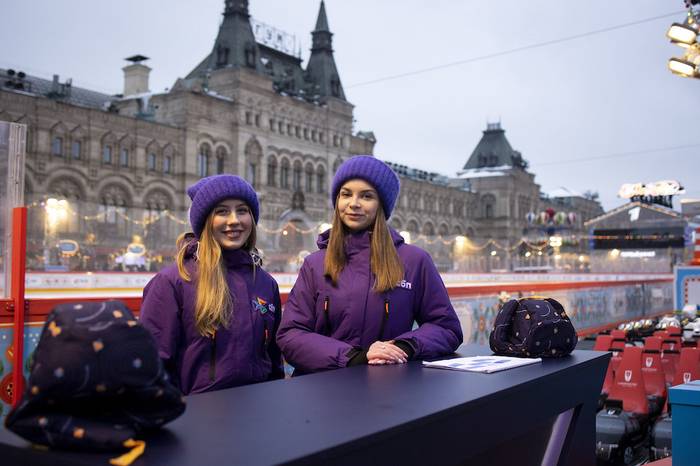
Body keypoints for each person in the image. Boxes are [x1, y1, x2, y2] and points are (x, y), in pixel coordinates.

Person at [277, 156, 463, 374]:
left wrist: (404, 346)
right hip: (322, 387)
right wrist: (352, 357)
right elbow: (290, 334)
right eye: (346, 194)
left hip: (388, 386)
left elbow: (446, 327)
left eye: (366, 196)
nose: (354, 203)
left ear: (381, 204)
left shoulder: (414, 261)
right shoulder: (315, 264)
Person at [140, 175, 283, 394]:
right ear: (205, 220)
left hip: (259, 406)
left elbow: (273, 358)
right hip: (197, 410)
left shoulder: (266, 284)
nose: (234, 220)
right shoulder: (172, 283)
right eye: (222, 211)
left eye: (242, 210)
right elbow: (153, 365)